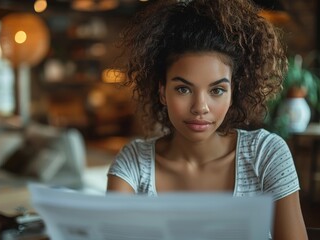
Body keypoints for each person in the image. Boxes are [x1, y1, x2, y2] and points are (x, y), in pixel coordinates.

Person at [107, 0, 308, 239]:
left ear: (234, 92)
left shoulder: (266, 155)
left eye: (216, 90)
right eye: (183, 89)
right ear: (162, 91)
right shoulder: (135, 165)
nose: (200, 108)